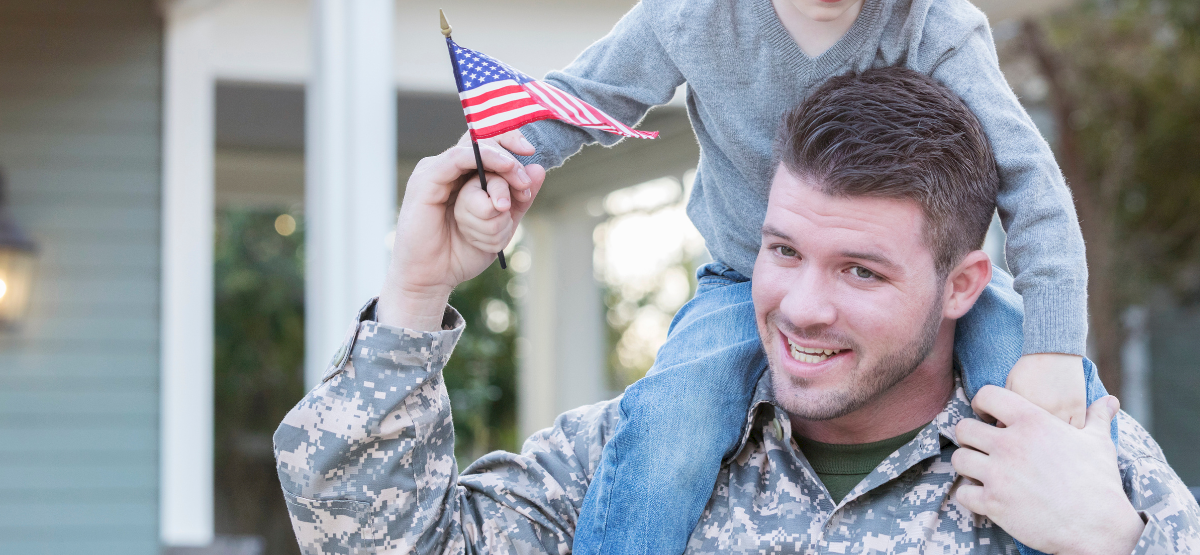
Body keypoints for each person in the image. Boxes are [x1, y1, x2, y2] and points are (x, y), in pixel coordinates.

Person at [470, 0, 1101, 555]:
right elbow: (591, 96)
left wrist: (1054, 347)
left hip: (925, 293)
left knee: (1039, 414)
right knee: (667, 435)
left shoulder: (932, 20)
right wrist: (504, 153)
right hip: (744, 278)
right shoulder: (693, 4)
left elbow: (1030, 180)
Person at [274, 68, 1200, 555]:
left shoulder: (1084, 474)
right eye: (783, 250)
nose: (802, 306)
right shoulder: (636, 454)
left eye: (861, 273)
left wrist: (1113, 544)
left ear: (963, 285)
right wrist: (415, 291)